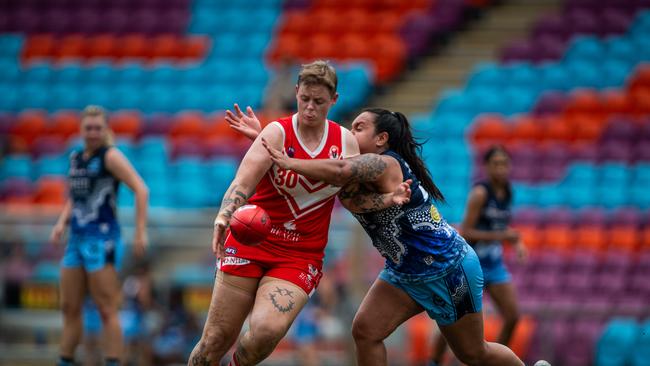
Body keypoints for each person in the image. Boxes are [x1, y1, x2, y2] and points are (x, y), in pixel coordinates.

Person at [239, 107, 527, 366]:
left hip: (447, 268)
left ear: (381, 139)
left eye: (359, 128)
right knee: (365, 331)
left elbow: (338, 169)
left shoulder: (385, 163)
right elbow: (317, 171)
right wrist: (266, 144)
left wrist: (288, 161)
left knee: (473, 353)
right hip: (403, 273)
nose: (350, 133)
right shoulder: (352, 175)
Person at [186, 60, 410, 366]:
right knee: (213, 342)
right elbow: (242, 181)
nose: (309, 108)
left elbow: (352, 200)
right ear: (296, 93)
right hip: (250, 243)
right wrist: (224, 215)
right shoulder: (276, 133)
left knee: (265, 332)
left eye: (318, 102)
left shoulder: (346, 144)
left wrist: (387, 199)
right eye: (304, 99)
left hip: (299, 254)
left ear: (334, 101)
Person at [50, 105, 149, 366]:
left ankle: (114, 361)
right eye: (88, 127)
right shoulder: (76, 158)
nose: (93, 132)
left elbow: (141, 189)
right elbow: (76, 196)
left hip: (102, 240)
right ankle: (66, 360)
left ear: (105, 130)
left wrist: (140, 231)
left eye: (97, 128)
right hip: (76, 240)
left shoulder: (110, 156)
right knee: (69, 308)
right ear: (81, 130)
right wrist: (61, 223)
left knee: (107, 310)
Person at [430, 145, 527, 366]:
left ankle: (492, 362)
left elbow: (502, 226)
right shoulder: (480, 193)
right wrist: (503, 235)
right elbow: (466, 231)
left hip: (494, 264)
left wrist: (517, 242)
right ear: (486, 167)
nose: (501, 169)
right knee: (453, 319)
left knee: (512, 316)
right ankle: (434, 361)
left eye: (504, 164)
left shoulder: (508, 191)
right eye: (496, 164)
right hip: (470, 264)